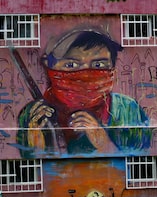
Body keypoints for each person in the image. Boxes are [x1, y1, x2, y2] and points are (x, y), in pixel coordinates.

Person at [16, 27, 150, 157]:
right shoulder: (33, 115)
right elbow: (32, 169)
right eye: (71, 65)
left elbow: (140, 163)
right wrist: (35, 145)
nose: (86, 74)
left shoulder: (127, 109)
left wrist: (104, 143)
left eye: (99, 65)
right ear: (49, 66)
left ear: (112, 69)